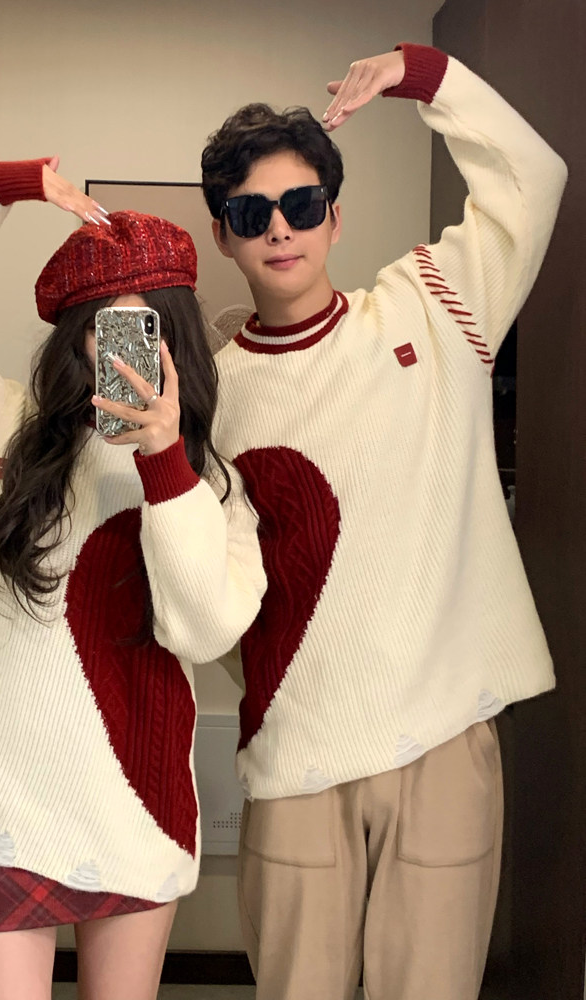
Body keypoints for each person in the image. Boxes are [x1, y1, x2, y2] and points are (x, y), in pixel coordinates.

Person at [0, 155, 266, 1000]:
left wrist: (163, 462)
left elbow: (204, 631)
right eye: (106, 326)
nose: (124, 349)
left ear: (178, 339)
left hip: (134, 807)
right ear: (73, 335)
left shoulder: (209, 483)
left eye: (148, 326)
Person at [200, 42, 567, 1000]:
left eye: (302, 204)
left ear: (335, 214)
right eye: (251, 214)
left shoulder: (434, 308)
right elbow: (202, 584)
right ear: (224, 236)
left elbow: (533, 179)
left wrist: (426, 75)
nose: (281, 228)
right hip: (296, 753)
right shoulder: (209, 399)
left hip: (440, 736)